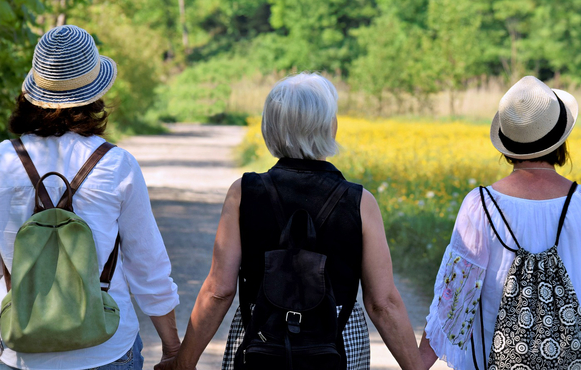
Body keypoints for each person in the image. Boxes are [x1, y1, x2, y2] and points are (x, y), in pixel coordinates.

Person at [155, 72, 424, 370]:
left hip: (262, 338)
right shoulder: (360, 202)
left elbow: (219, 291)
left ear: (269, 128)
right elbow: (382, 303)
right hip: (338, 341)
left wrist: (184, 363)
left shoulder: (243, 193)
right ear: (330, 127)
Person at [0, 25, 180, 370]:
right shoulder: (116, 164)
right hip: (106, 348)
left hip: (20, 352)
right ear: (94, 94)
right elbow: (148, 266)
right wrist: (172, 349)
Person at [418, 76, 581, 370]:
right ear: (561, 140)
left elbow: (454, 301)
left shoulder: (480, 205)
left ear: (507, 144)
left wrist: (416, 364)